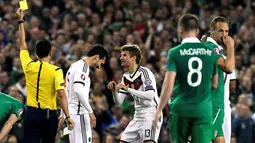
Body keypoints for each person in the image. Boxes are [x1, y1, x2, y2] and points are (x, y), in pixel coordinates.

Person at [153, 13, 219, 143]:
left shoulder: (175, 52)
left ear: (180, 29)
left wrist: (159, 110)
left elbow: (168, 84)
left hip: (181, 109)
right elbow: (215, 84)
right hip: (203, 110)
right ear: (197, 31)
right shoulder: (211, 53)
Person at [16, 8, 74, 143]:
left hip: (31, 113)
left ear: (36, 54)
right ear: (50, 53)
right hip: (48, 115)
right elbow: (61, 94)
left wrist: (20, 21)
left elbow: (22, 46)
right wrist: (67, 116)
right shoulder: (56, 71)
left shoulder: (28, 66)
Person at [107, 44, 162, 143]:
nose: (121, 58)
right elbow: (119, 102)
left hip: (151, 113)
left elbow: (150, 95)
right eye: (121, 55)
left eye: (124, 55)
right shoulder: (125, 76)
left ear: (133, 58)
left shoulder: (145, 72)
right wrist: (114, 91)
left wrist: (128, 89)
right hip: (137, 116)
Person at [59, 44, 108, 143]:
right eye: (100, 63)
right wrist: (90, 112)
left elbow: (65, 90)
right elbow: (77, 90)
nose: (99, 67)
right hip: (79, 114)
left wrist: (63, 114)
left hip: (71, 114)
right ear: (96, 57)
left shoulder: (74, 65)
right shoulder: (83, 68)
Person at [203, 16, 235, 143]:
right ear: (212, 31)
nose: (225, 35)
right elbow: (228, 68)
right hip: (213, 105)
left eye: (227, 31)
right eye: (221, 31)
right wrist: (231, 46)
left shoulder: (209, 48)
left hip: (214, 104)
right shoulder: (212, 48)